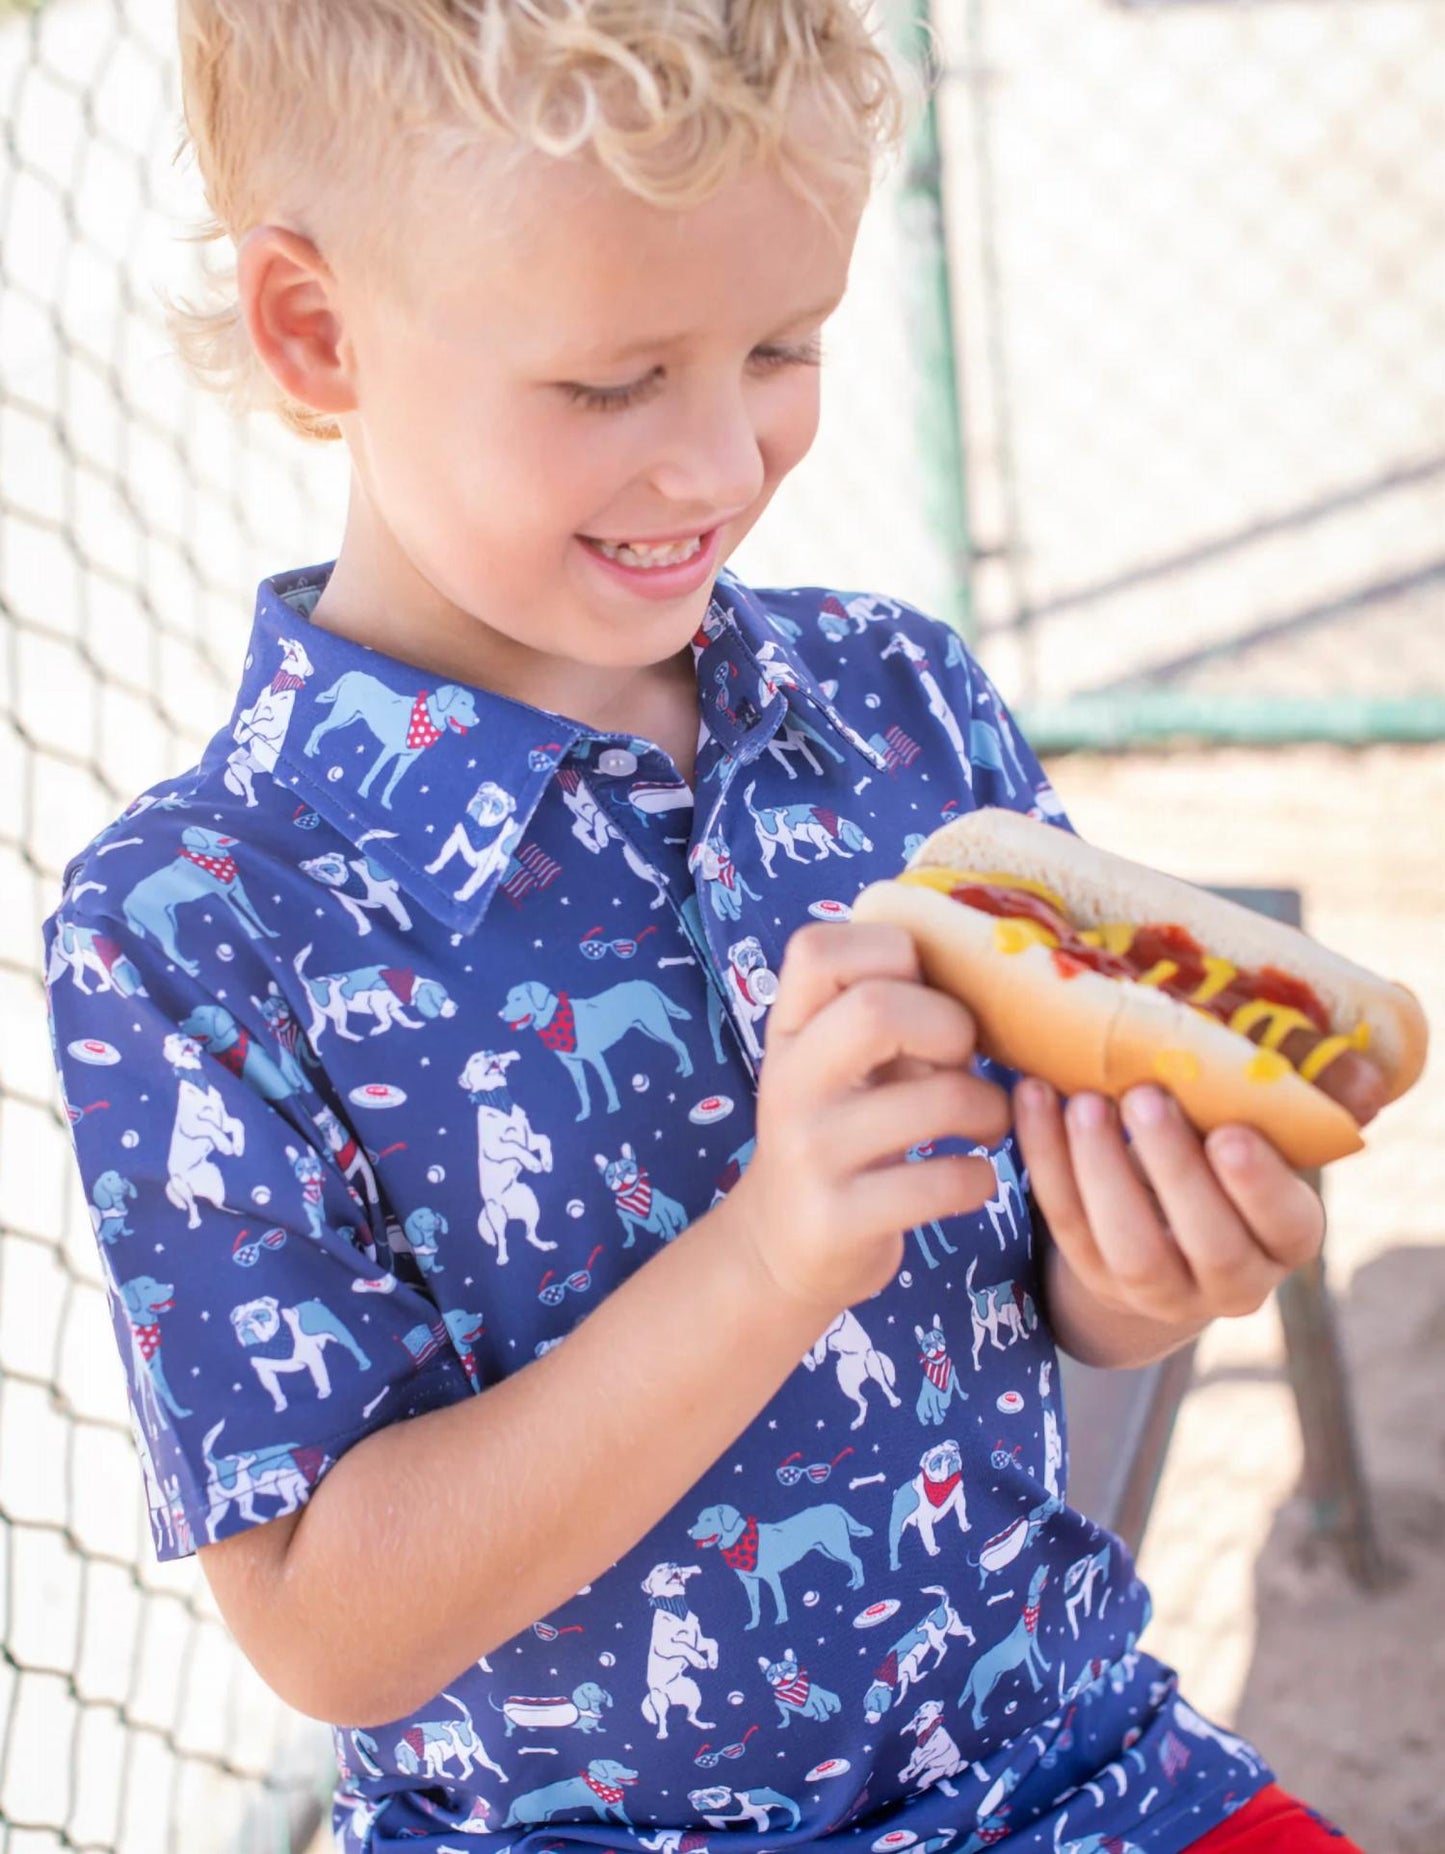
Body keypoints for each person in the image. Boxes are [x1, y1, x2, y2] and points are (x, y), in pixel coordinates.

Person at [42, 4, 1364, 1851]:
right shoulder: (194, 930)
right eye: (610, 383)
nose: (723, 463)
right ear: (317, 332)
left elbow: (1042, 1308)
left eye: (782, 345)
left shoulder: (894, 708)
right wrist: (764, 1260)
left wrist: (1137, 1277)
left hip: (1057, 1765)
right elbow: (330, 1622)